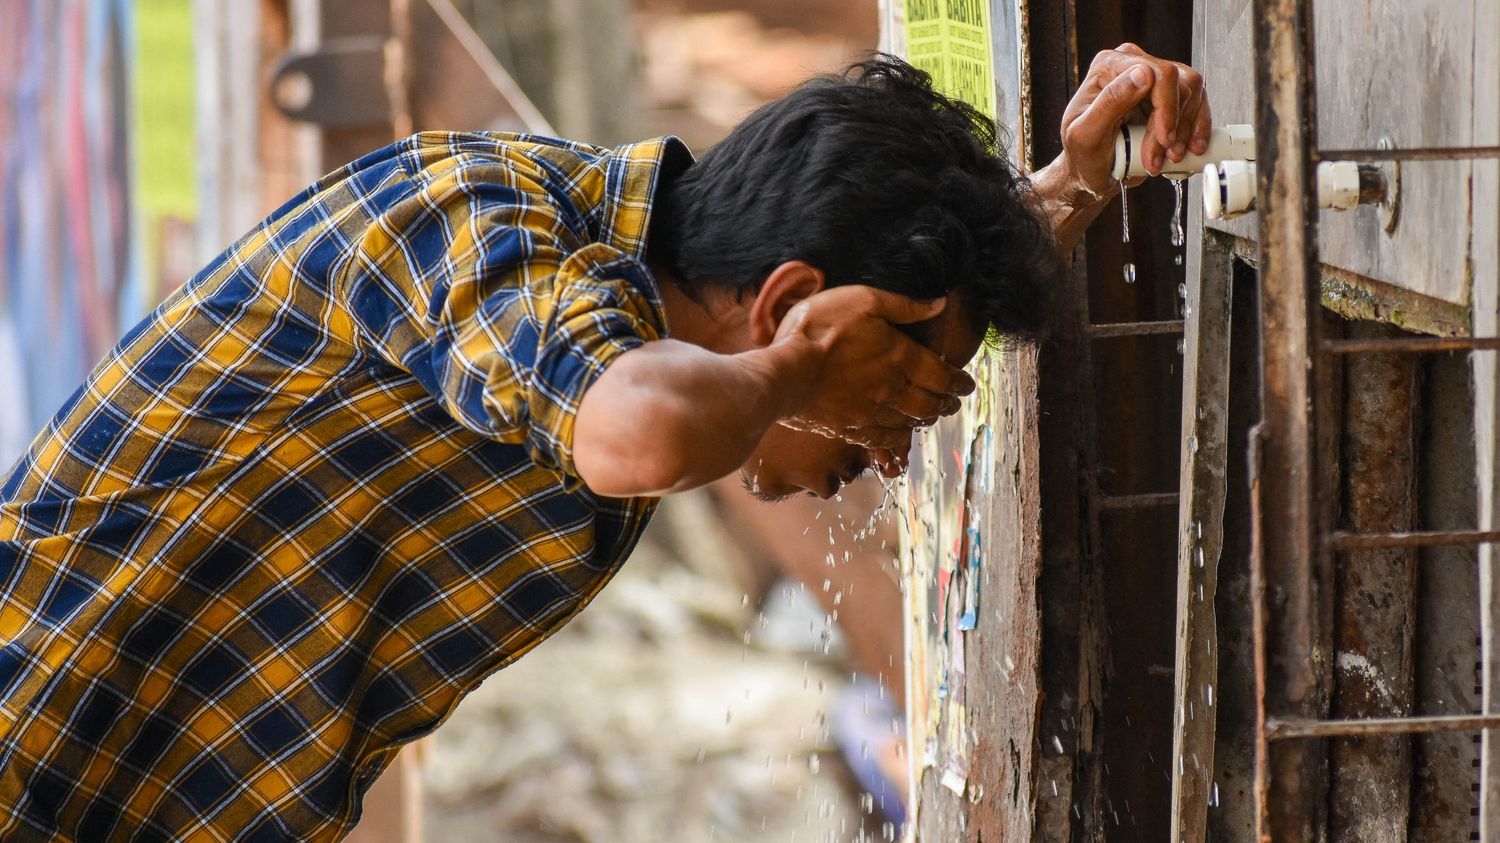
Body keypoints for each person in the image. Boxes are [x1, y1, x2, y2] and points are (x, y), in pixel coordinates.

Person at [0, 45, 1207, 840]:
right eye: (887, 403)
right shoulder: (480, 220)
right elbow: (631, 429)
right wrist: (793, 367)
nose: (890, 457)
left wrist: (1067, 185)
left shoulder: (644, 319)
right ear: (787, 308)